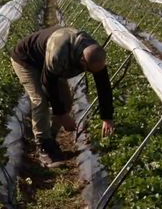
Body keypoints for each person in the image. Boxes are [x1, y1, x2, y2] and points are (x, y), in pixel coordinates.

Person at [11, 26, 114, 167]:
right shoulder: (59, 54)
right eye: (89, 70)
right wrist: (62, 115)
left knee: (66, 100)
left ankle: (50, 139)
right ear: (83, 61)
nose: (91, 73)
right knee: (40, 100)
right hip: (27, 60)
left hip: (49, 63)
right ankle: (43, 145)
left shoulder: (94, 54)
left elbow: (103, 85)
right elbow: (48, 84)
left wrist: (107, 117)